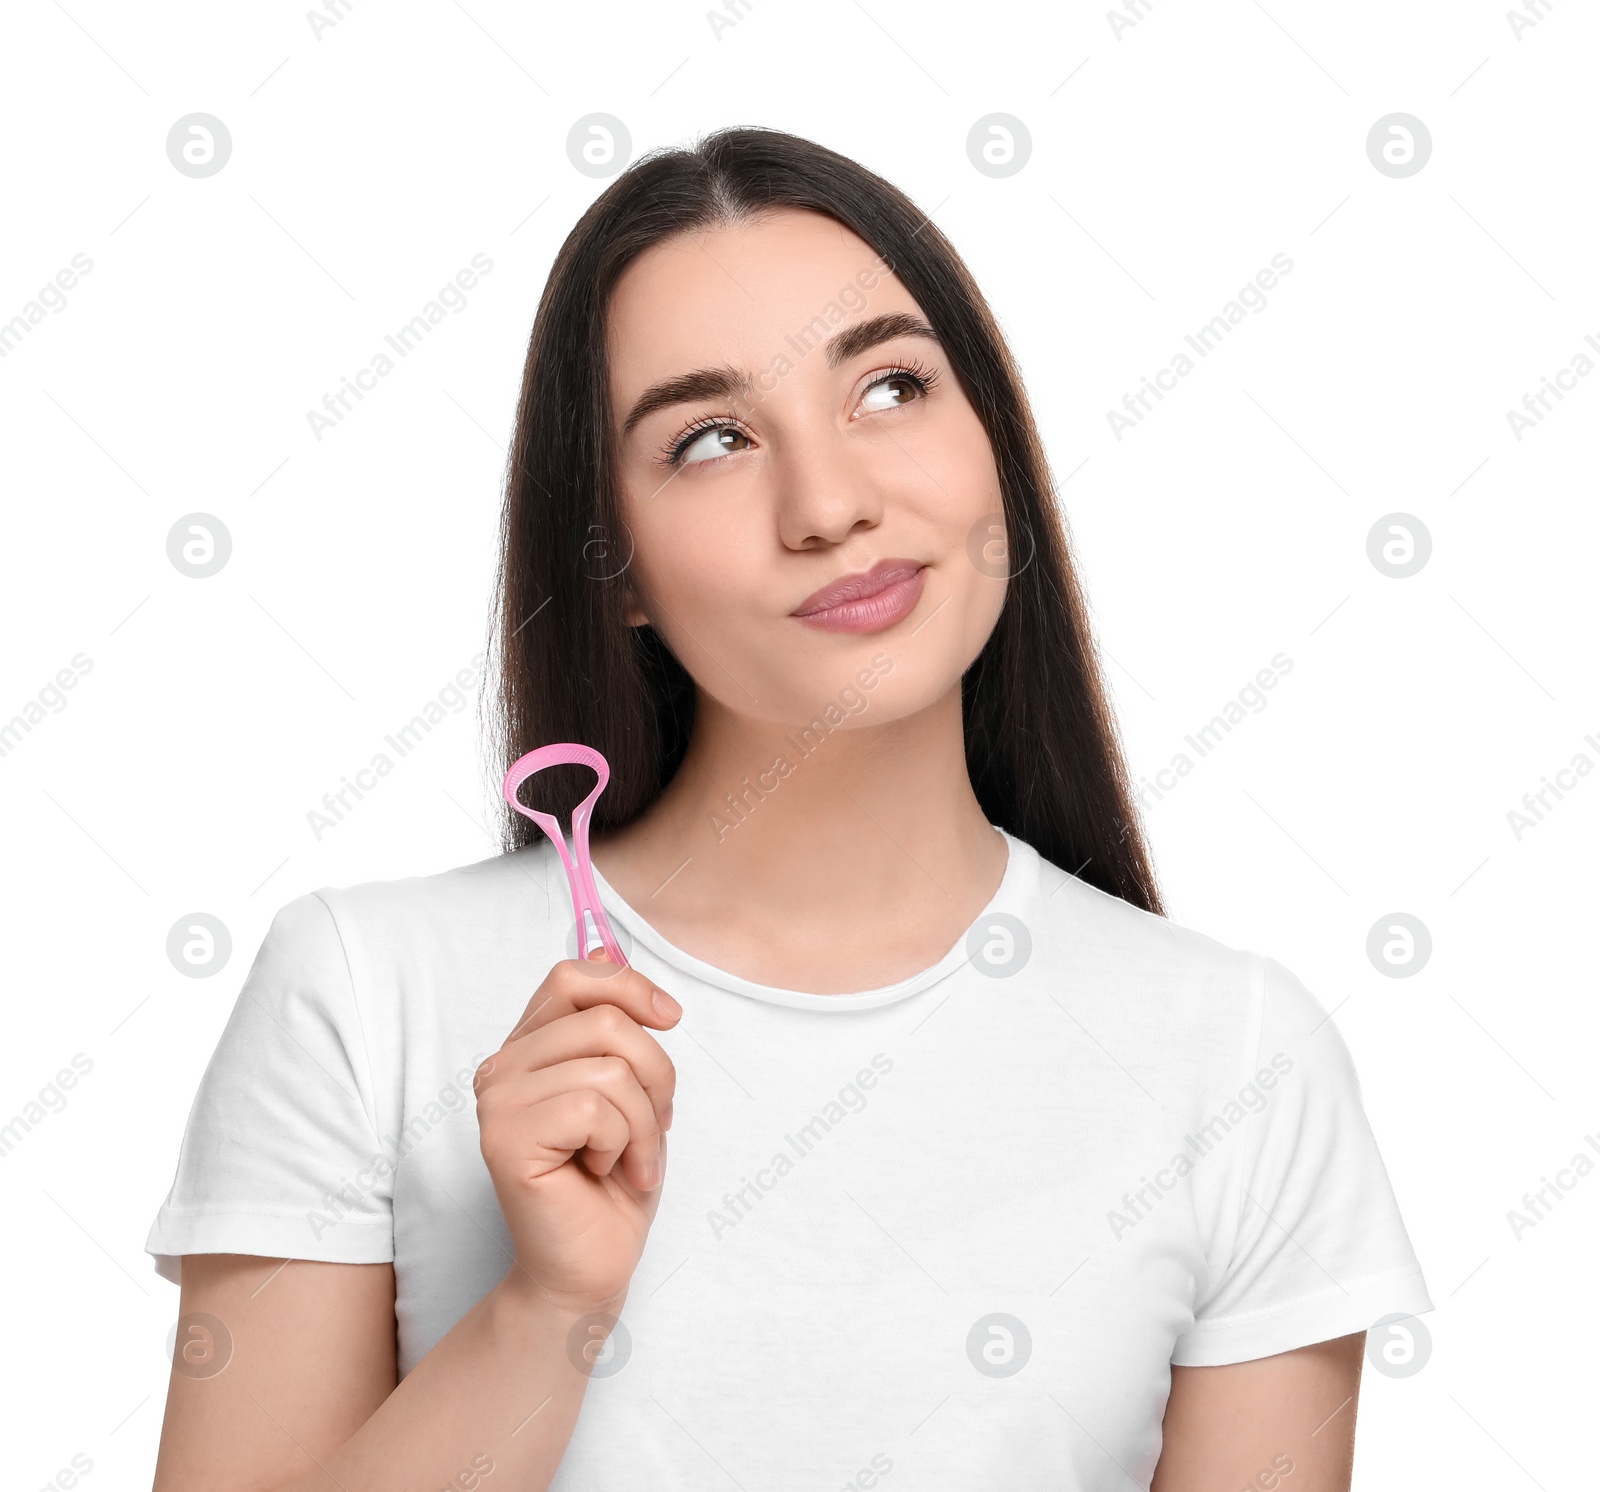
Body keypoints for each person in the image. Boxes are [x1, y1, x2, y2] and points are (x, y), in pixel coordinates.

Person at [146, 126, 1432, 1491]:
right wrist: (545, 1314)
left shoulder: (1239, 1059)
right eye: (711, 439)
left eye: (889, 387)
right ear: (614, 565)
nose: (830, 504)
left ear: (994, 442)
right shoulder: (361, 994)